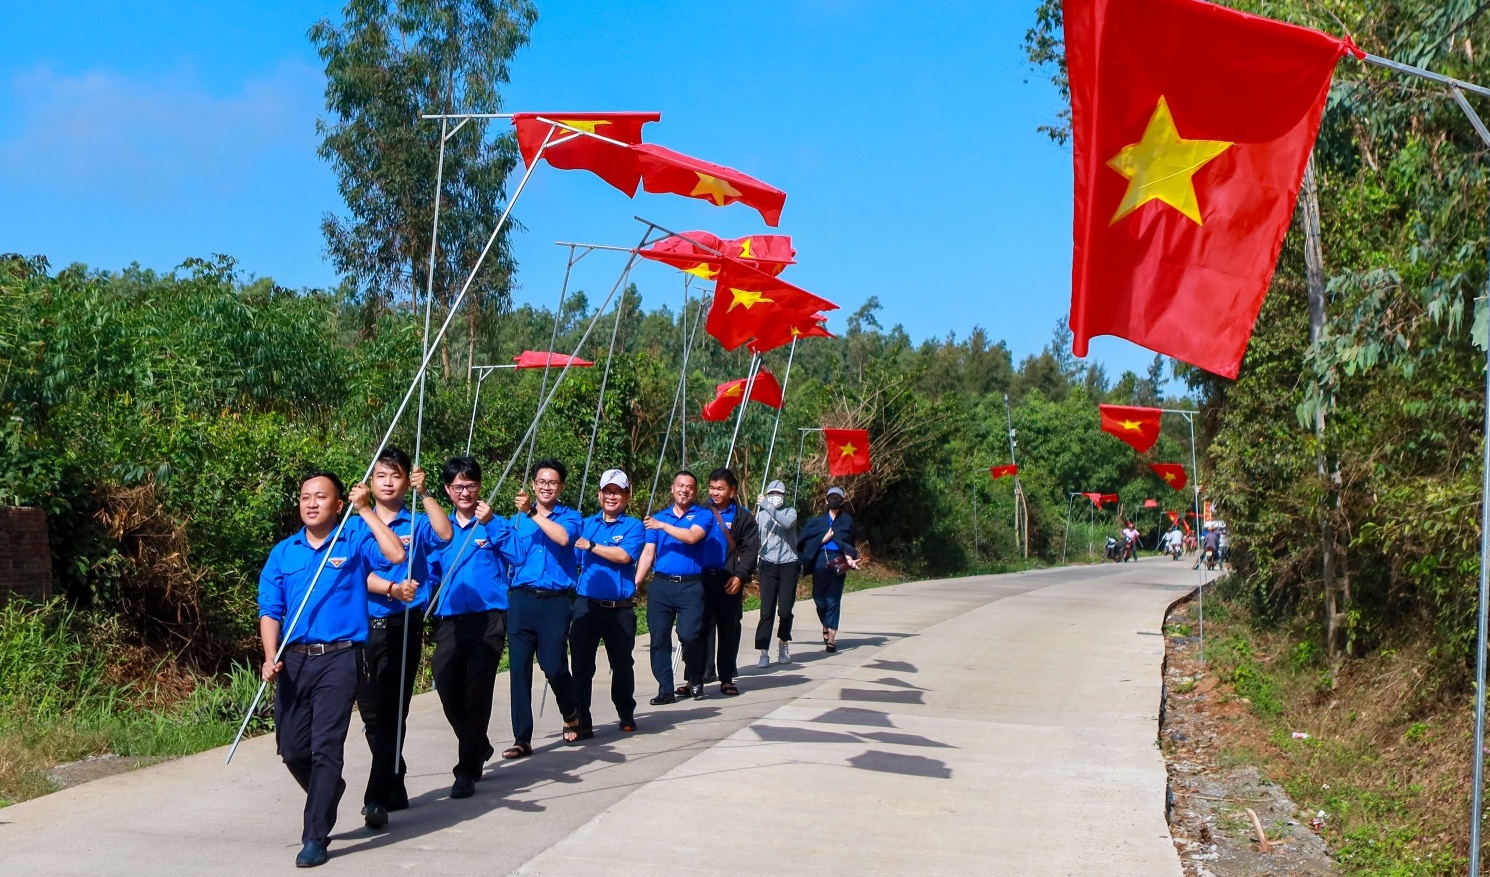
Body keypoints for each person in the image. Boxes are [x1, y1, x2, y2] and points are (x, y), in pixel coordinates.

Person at [257, 470, 406, 868]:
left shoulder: (353, 537)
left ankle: (315, 836)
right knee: (291, 749)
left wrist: (365, 511)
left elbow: (396, 555)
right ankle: (330, 790)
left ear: (337, 504)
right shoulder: (283, 552)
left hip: (341, 657)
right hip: (294, 659)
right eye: (305, 496)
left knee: (326, 746)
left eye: (321, 497)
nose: (311, 503)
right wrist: (270, 655)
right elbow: (270, 610)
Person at [354, 446, 452, 829]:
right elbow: (352, 575)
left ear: (406, 478)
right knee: (373, 716)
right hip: (364, 629)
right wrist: (391, 588)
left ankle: (376, 797)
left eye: (396, 476)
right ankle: (394, 776)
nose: (389, 482)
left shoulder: (416, 522)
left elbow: (444, 533)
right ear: (370, 482)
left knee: (395, 710)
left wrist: (426, 493)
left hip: (404, 627)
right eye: (381, 476)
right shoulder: (355, 523)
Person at [427, 456, 514, 800]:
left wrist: (492, 523)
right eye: (457, 486)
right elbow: (429, 574)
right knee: (446, 683)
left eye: (471, 484)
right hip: (450, 619)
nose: (465, 491)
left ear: (480, 486)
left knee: (477, 692)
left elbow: (518, 557)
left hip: (489, 619)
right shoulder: (439, 528)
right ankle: (476, 743)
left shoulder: (493, 523)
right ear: (447, 490)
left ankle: (466, 770)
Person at [503, 458, 584, 757]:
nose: (546, 486)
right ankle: (521, 738)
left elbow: (563, 538)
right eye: (541, 482)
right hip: (522, 599)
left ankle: (570, 710)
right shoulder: (516, 521)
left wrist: (533, 513)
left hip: (555, 601)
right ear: (533, 485)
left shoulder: (571, 517)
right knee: (519, 669)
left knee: (553, 666)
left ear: (561, 486)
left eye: (553, 482)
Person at [569, 468, 646, 736]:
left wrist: (589, 546)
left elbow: (624, 556)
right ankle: (582, 720)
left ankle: (625, 712)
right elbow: (573, 560)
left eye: (618, 492)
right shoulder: (585, 523)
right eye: (608, 491)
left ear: (626, 496)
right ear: (599, 494)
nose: (612, 497)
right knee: (581, 666)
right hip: (586, 605)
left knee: (622, 665)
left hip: (619, 609)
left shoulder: (634, 526)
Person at [635, 470, 714, 703]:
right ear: (672, 488)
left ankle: (695, 677)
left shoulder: (703, 516)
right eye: (680, 485)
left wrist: (662, 526)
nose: (684, 490)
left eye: (689, 486)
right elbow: (648, 553)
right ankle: (665, 688)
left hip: (690, 586)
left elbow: (691, 537)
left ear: (695, 491)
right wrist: (636, 582)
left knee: (690, 635)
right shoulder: (658, 518)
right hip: (661, 586)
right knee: (658, 637)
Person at [691, 467, 759, 697]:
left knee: (729, 630)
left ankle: (727, 678)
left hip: (729, 580)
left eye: (720, 488)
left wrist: (740, 576)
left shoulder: (743, 517)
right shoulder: (699, 511)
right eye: (712, 487)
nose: (715, 492)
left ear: (733, 491)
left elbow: (750, 550)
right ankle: (695, 677)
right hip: (700, 580)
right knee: (697, 630)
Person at [796, 486, 860, 653]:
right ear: (826, 500)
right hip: (819, 561)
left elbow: (850, 543)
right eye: (831, 497)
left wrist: (850, 558)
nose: (834, 500)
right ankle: (826, 622)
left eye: (837, 498)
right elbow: (803, 543)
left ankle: (831, 638)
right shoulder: (816, 522)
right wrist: (822, 539)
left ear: (842, 501)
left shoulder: (846, 521)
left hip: (838, 561)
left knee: (833, 600)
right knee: (819, 600)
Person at [754, 479, 799, 667]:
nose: (775, 497)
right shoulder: (761, 515)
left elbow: (786, 524)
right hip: (768, 564)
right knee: (766, 611)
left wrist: (766, 505)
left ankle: (783, 643)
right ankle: (763, 651)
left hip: (788, 564)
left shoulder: (790, 512)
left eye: (779, 494)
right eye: (772, 493)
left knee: (785, 610)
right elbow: (755, 537)